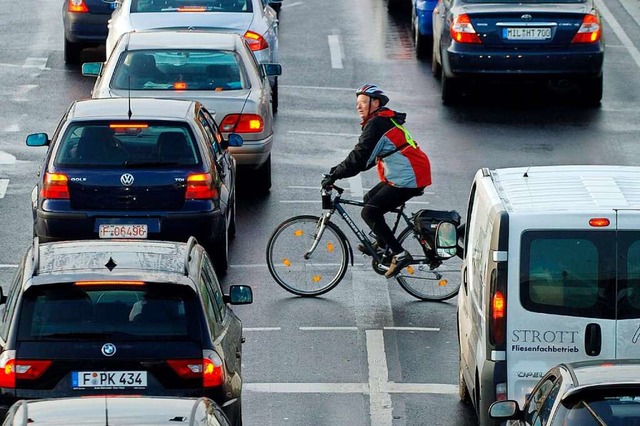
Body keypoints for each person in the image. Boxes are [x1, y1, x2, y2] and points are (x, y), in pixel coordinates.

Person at [321, 84, 432, 278]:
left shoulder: (378, 124)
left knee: (370, 212)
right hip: (405, 174)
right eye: (357, 103)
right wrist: (338, 172)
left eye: (363, 102)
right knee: (370, 197)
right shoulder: (380, 121)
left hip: (409, 177)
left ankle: (399, 254)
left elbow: (359, 157)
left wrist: (335, 174)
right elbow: (368, 158)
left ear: (375, 103)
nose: (359, 106)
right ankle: (382, 244)